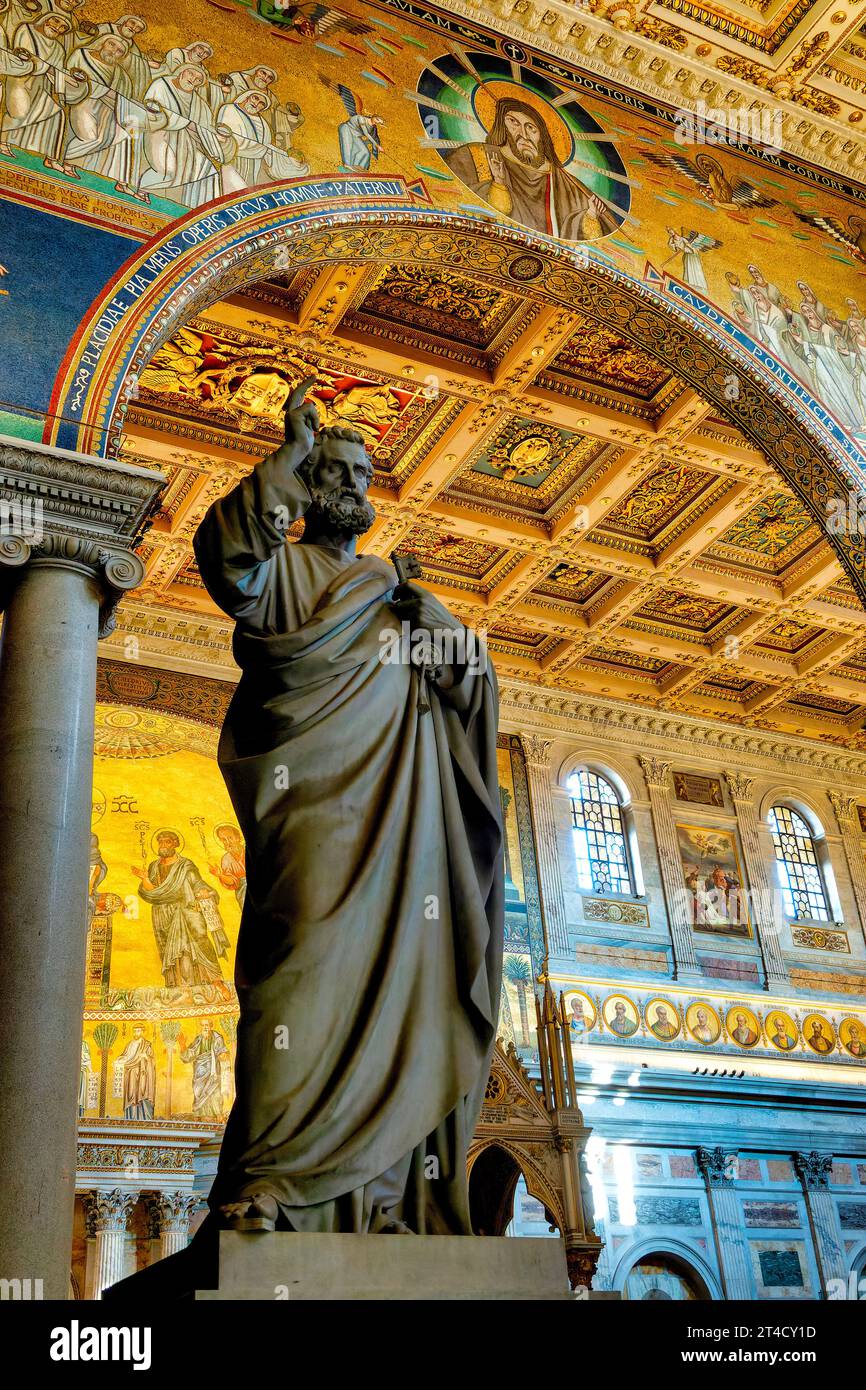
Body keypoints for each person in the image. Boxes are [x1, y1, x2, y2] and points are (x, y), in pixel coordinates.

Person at [193, 392, 502, 1235]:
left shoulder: (396, 593)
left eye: (366, 473)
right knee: (297, 972)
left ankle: (378, 1201)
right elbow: (227, 561)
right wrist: (285, 460)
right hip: (313, 814)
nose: (358, 483)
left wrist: (437, 626)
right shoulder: (282, 574)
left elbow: (469, 692)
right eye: (339, 471)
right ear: (312, 485)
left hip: (403, 834)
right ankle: (270, 1178)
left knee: (406, 989)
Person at [444, 94, 620, 241]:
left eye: (531, 128)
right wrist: (497, 183)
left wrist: (590, 215)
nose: (523, 134)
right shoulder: (476, 155)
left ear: (542, 137)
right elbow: (453, 198)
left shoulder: (568, 184)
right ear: (501, 125)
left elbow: (591, 237)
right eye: (513, 122)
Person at [132, 829, 230, 990]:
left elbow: (197, 884)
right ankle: (179, 986)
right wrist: (144, 879)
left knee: (200, 937)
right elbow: (152, 891)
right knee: (171, 949)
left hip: (187, 909)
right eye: (160, 842)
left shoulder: (185, 865)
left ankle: (216, 979)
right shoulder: (154, 866)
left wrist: (205, 893)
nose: (163, 845)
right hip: (162, 913)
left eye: (167, 841)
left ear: (176, 844)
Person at [179, 1018, 227, 1119]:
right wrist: (182, 1045)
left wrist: (222, 1055)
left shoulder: (217, 1038)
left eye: (207, 1025)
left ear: (211, 1026)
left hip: (213, 1070)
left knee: (214, 1091)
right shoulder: (198, 1039)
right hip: (199, 1071)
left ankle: (218, 1114)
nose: (205, 1028)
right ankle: (199, 1114)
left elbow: (222, 1051)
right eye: (203, 1025)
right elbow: (188, 1056)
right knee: (198, 1090)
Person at [116, 1023, 156, 1120]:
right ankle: (131, 1117)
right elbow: (125, 1056)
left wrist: (145, 1057)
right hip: (131, 1074)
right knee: (131, 1095)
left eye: (138, 1031)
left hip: (143, 1075)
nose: (136, 1033)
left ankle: (144, 1118)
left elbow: (152, 1061)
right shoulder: (130, 1044)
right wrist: (120, 1059)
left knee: (142, 1095)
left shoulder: (147, 1045)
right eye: (134, 1031)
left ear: (142, 1032)